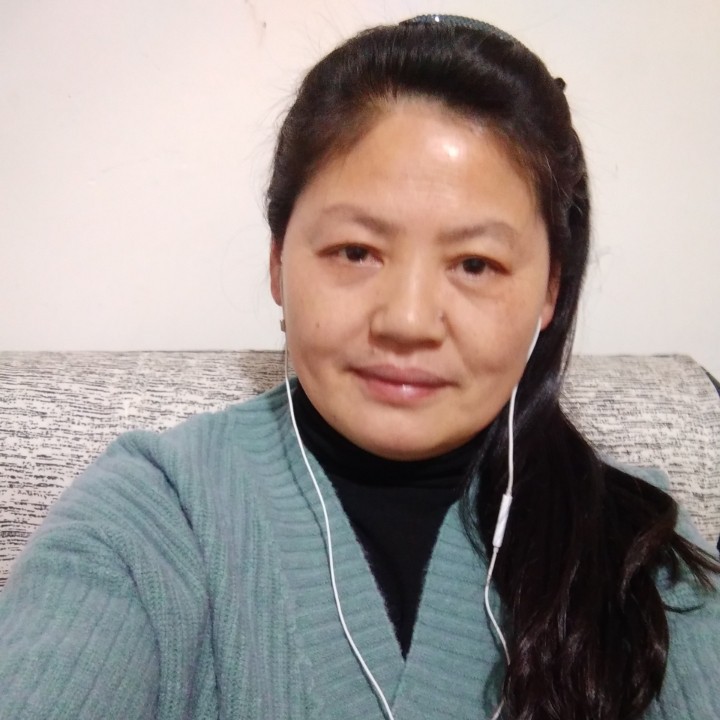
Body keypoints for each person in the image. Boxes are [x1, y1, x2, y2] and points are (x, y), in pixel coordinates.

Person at [0, 14, 718, 720]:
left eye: (475, 264)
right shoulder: (153, 519)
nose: (407, 321)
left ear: (549, 292)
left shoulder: (638, 547)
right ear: (278, 262)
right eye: (355, 252)